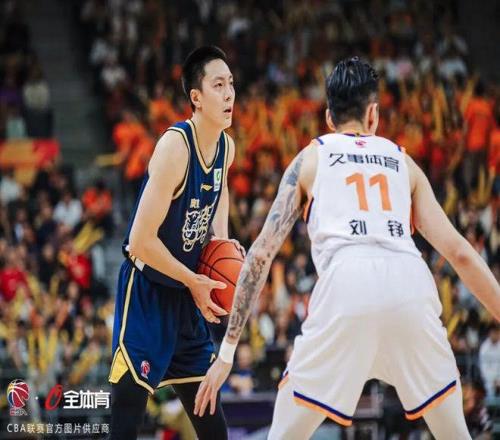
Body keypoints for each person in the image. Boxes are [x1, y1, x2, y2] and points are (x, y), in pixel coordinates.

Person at [194, 57, 500, 439]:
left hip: (345, 286)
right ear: (373, 115)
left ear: (328, 118)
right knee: (455, 433)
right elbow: (460, 253)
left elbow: (259, 255)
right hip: (410, 285)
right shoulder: (403, 162)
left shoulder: (311, 158)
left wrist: (227, 352)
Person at [109, 45, 240, 440]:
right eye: (218, 85)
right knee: (127, 421)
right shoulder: (175, 147)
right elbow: (139, 241)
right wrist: (193, 280)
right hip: (147, 292)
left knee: (212, 423)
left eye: (231, 84)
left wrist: (223, 247)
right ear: (196, 97)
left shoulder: (226, 148)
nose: (229, 94)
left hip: (185, 299)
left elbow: (219, 198)